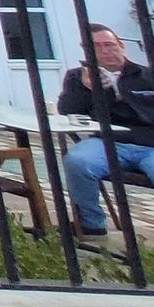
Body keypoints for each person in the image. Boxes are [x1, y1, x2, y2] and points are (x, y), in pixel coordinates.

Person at [57, 23, 154, 238]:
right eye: (97, 47)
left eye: (109, 45)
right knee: (77, 161)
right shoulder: (77, 77)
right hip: (106, 142)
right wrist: (88, 89)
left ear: (121, 46)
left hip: (149, 144)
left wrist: (122, 95)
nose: (105, 51)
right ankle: (91, 224)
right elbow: (66, 112)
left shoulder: (146, 75)